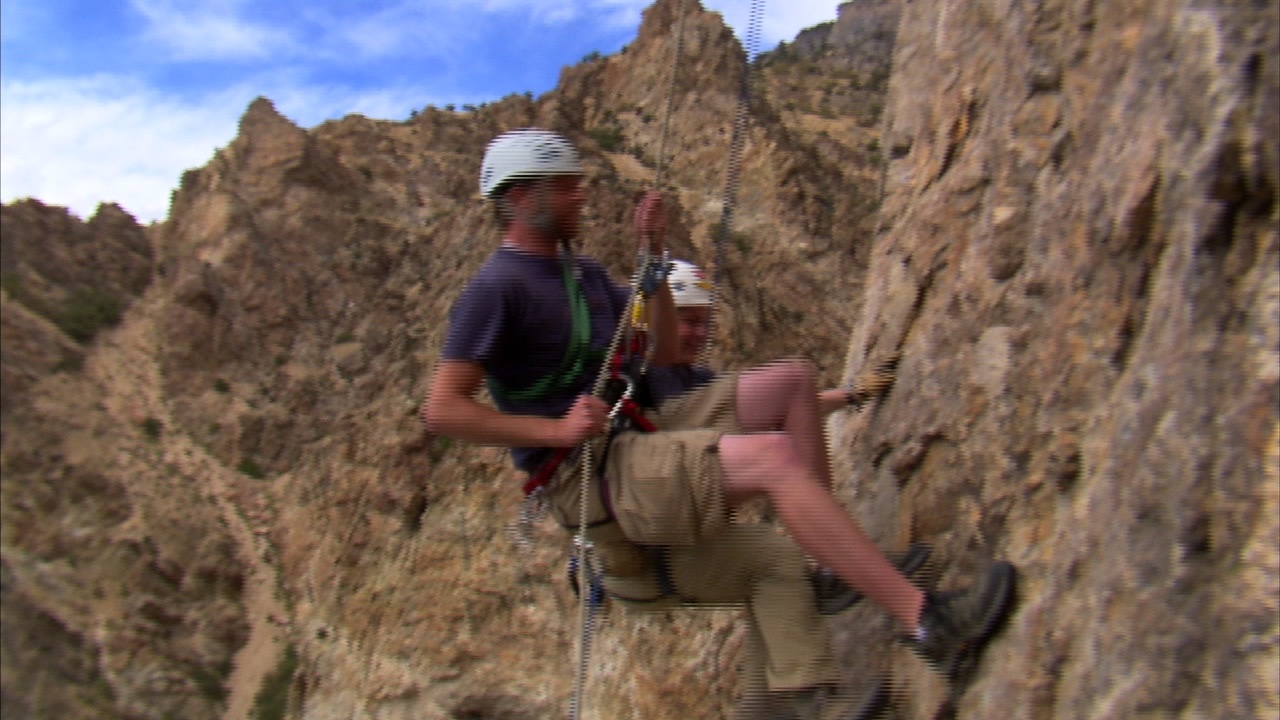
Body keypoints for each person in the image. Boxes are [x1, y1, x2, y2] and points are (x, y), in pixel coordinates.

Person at [423, 128, 1016, 718]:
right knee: (774, 461)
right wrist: (553, 432)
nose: (582, 195)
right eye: (568, 186)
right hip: (587, 470)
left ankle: (832, 572)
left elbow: (657, 351)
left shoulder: (584, 274)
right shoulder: (496, 289)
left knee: (791, 382)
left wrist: (653, 258)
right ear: (524, 197)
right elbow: (444, 408)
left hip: (634, 429)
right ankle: (929, 623)